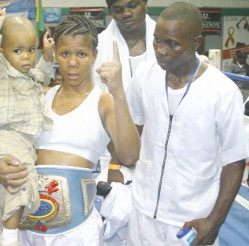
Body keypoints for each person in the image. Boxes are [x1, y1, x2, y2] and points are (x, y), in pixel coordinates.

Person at [0, 15, 140, 246]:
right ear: (55, 54)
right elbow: (7, 137)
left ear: (94, 55)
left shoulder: (103, 101)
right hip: (24, 229)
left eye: (81, 54)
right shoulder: (39, 96)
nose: (73, 62)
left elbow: (130, 155)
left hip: (76, 233)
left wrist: (119, 93)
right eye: (65, 54)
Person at [126, 2, 249, 245]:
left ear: (196, 43)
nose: (160, 50)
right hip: (141, 211)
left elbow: (235, 162)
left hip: (189, 222)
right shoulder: (144, 75)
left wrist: (214, 222)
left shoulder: (222, 92)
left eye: (171, 43)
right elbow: (134, 128)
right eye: (156, 41)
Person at [0, 7, 55, 246]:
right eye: (17, 50)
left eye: (31, 50)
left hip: (26, 142)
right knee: (20, 183)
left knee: (3, 190)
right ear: (2, 51)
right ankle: (10, 240)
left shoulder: (31, 75)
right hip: (7, 137)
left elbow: (43, 76)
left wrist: (48, 57)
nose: (26, 57)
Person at [93, 1, 155, 245]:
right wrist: (117, 163)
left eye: (132, 5)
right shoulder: (99, 44)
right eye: (118, 9)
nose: (126, 13)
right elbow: (96, 104)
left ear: (145, 3)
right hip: (115, 154)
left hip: (161, 152)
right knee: (117, 229)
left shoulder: (169, 39)